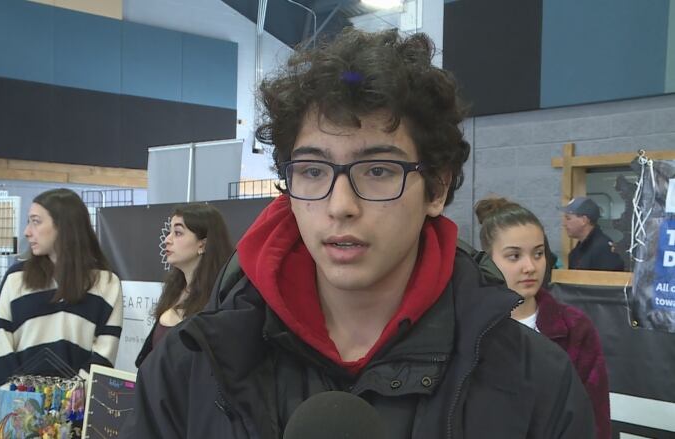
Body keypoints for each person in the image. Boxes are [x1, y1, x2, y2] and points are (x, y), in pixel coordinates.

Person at [123, 29, 593, 438]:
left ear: (438, 187)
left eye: (378, 170)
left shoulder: (535, 384)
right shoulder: (193, 366)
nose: (340, 206)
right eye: (312, 171)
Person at [476, 197, 611, 439]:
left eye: (538, 254)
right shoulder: (470, 328)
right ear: (487, 261)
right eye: (514, 256)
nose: (530, 266)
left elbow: (595, 416)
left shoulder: (576, 328)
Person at [0, 188, 123, 387]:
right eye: (29, 221)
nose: (27, 231)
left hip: (75, 410)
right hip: (19, 409)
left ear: (64, 226)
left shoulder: (106, 283)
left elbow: (104, 355)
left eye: (36, 221)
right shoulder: (17, 278)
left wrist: (67, 401)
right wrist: (19, 399)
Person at [134, 203, 233, 367]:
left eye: (178, 233)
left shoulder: (220, 299)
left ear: (202, 244)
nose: (167, 240)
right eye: (169, 232)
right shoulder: (173, 290)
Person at [561, 196, 624, 271]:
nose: (564, 223)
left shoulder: (604, 250)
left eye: (568, 218)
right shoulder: (576, 252)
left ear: (584, 220)